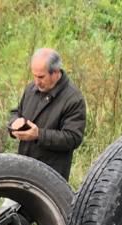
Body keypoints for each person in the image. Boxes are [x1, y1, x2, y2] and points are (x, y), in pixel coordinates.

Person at [8, 47, 87, 184]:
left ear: (55, 72)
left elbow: (73, 138)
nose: (37, 82)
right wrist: (14, 123)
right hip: (23, 171)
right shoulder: (31, 89)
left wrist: (38, 135)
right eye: (34, 75)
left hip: (50, 180)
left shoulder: (74, 99)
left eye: (41, 77)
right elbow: (17, 112)